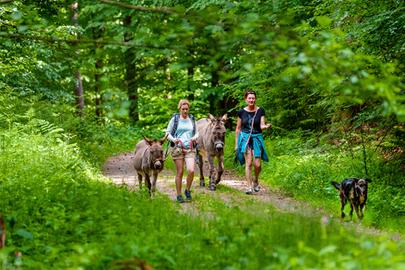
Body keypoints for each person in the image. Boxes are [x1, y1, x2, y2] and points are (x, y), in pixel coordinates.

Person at [235, 90, 271, 194]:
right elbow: (238, 128)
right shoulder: (241, 112)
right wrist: (236, 144)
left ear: (255, 99)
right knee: (249, 163)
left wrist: (266, 126)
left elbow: (261, 125)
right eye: (249, 98)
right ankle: (249, 186)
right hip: (246, 139)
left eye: (253, 98)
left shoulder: (260, 111)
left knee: (257, 165)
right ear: (245, 99)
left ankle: (256, 180)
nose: (251, 100)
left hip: (257, 138)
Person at [166, 99, 199, 203]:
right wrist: (174, 139)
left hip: (190, 148)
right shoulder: (174, 120)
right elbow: (167, 133)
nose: (185, 111)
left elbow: (197, 133)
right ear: (179, 109)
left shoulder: (192, 119)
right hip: (177, 149)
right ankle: (179, 194)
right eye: (183, 109)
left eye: (187, 109)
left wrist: (194, 137)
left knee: (191, 170)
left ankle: (187, 190)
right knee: (180, 172)